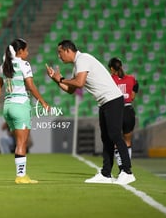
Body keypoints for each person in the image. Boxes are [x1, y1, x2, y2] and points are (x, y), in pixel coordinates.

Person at [46, 40, 135, 185]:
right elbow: (70, 90)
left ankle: (127, 171)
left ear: (68, 50)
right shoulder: (78, 65)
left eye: (60, 52)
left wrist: (61, 78)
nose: (59, 56)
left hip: (112, 99)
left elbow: (79, 83)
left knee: (114, 135)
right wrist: (56, 80)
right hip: (104, 102)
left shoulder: (83, 59)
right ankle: (106, 174)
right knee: (106, 138)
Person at [0, 38, 49, 184]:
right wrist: (43, 102)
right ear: (19, 51)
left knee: (19, 142)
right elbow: (30, 86)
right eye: (26, 50)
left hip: (7, 107)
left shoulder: (4, 66)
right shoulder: (24, 64)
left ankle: (22, 174)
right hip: (20, 105)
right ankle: (21, 176)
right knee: (22, 143)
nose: (27, 52)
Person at [108, 57, 139, 170]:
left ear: (112, 68)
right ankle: (127, 167)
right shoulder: (131, 78)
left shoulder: (110, 79)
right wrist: (132, 95)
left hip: (117, 111)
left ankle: (122, 167)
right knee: (127, 140)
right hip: (129, 111)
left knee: (117, 140)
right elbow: (135, 87)